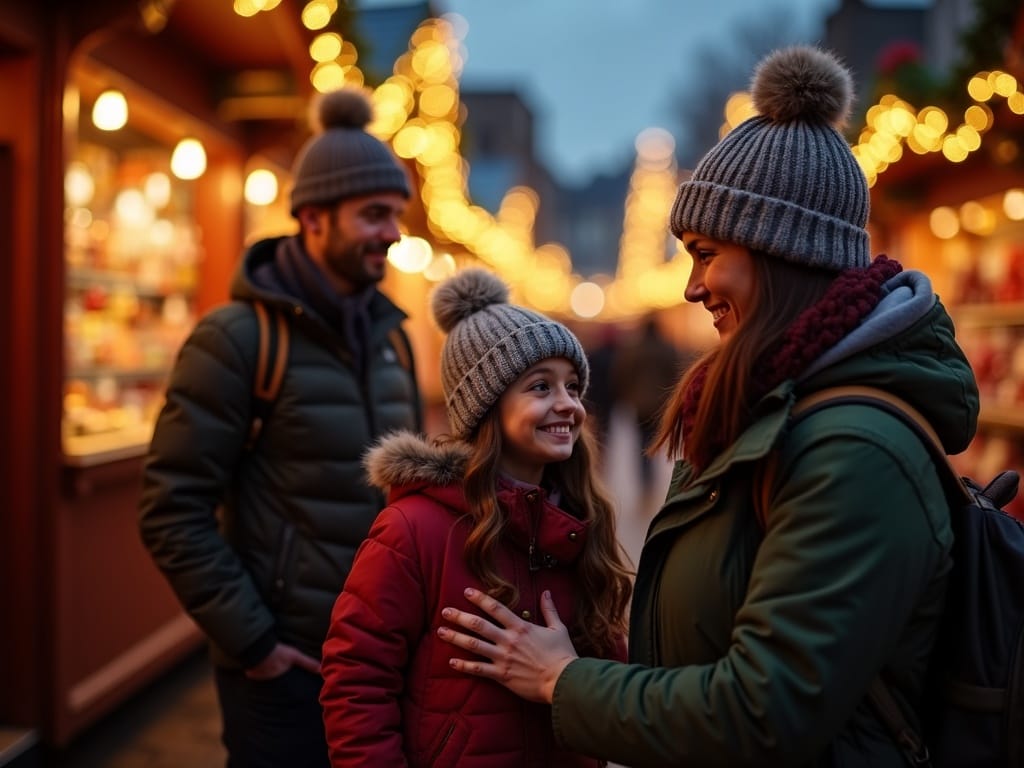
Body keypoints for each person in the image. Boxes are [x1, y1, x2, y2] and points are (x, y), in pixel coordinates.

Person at [435, 45, 980, 766]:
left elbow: (761, 709)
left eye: (705, 253)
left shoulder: (854, 450)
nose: (691, 287)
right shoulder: (762, 410)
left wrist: (565, 681)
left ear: (780, 251)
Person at [138, 87, 422, 768]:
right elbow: (170, 507)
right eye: (374, 215)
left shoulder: (395, 340)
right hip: (286, 668)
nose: (392, 232)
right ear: (314, 218)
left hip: (383, 660)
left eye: (396, 215)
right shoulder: (235, 339)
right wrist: (255, 646)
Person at [319, 268, 633, 767]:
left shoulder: (580, 523)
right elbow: (356, 680)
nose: (568, 404)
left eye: (573, 386)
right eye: (540, 386)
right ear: (485, 405)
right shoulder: (413, 529)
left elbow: (611, 673)